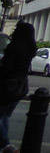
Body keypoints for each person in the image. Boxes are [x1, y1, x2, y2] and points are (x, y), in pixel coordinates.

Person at [0, 21, 36, 153]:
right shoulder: (31, 48)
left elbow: (6, 69)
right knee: (5, 116)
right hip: (21, 85)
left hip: (8, 85)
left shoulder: (14, 47)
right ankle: (5, 145)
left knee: (1, 116)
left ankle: (6, 145)